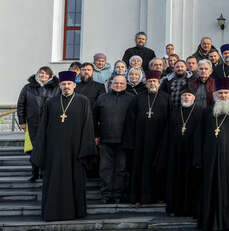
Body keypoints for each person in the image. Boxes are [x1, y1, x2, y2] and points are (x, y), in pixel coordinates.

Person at [30, 71, 97, 221]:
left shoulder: (83, 101)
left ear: (74, 85)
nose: (66, 86)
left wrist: (84, 149)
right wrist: (41, 150)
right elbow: (43, 128)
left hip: (75, 151)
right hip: (54, 152)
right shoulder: (51, 102)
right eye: (63, 84)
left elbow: (87, 126)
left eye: (69, 84)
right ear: (60, 85)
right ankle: (52, 213)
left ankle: (75, 213)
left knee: (74, 182)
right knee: (54, 181)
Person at [194, 77, 229, 231]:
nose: (223, 96)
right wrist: (198, 159)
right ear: (215, 95)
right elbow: (199, 137)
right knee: (209, 193)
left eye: (226, 93)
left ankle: (228, 225)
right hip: (210, 161)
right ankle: (209, 226)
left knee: (228, 194)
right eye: (220, 93)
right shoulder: (207, 112)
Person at [122, 70, 172, 205]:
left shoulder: (166, 98)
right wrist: (130, 142)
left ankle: (160, 196)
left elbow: (171, 120)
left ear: (159, 83)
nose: (152, 83)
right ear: (145, 83)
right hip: (141, 142)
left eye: (154, 81)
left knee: (159, 168)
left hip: (160, 141)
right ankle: (139, 197)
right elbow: (130, 120)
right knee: (140, 169)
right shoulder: (137, 98)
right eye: (149, 81)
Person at [93, 75, 134, 204]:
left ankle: (118, 194)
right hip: (105, 140)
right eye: (116, 83)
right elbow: (94, 118)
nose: (118, 85)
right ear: (111, 84)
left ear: (126, 85)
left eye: (121, 83)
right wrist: (96, 135)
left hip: (124, 141)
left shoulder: (132, 99)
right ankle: (106, 194)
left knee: (121, 169)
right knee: (105, 169)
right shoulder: (102, 98)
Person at [17, 66, 60, 181]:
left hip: (50, 123)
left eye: (47, 74)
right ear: (37, 74)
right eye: (42, 73)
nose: (44, 76)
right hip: (32, 123)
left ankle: (44, 172)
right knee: (34, 148)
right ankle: (34, 172)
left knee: (47, 147)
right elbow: (21, 104)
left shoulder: (56, 88)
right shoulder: (28, 87)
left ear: (50, 76)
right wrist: (22, 121)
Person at [166, 87, 203, 217]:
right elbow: (167, 134)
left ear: (194, 97)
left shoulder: (201, 112)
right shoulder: (174, 113)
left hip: (192, 153)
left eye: (189, 95)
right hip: (175, 153)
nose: (186, 97)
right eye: (184, 95)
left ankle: (191, 209)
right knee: (176, 181)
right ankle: (175, 208)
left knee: (191, 181)